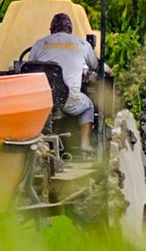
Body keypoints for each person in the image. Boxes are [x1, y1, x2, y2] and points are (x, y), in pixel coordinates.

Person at [28, 13, 110, 149]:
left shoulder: (39, 44)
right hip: (68, 98)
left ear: (51, 29)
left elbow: (30, 68)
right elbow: (98, 67)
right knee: (88, 105)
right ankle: (85, 144)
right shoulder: (82, 44)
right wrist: (109, 69)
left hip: (43, 99)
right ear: (70, 29)